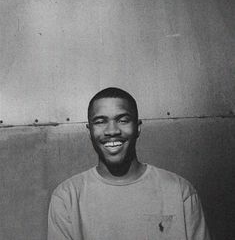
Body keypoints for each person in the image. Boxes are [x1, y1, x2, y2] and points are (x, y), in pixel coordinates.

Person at [47, 87, 211, 240]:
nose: (112, 131)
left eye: (123, 120)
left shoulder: (179, 191)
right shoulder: (67, 197)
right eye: (100, 121)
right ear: (89, 131)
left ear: (138, 127)